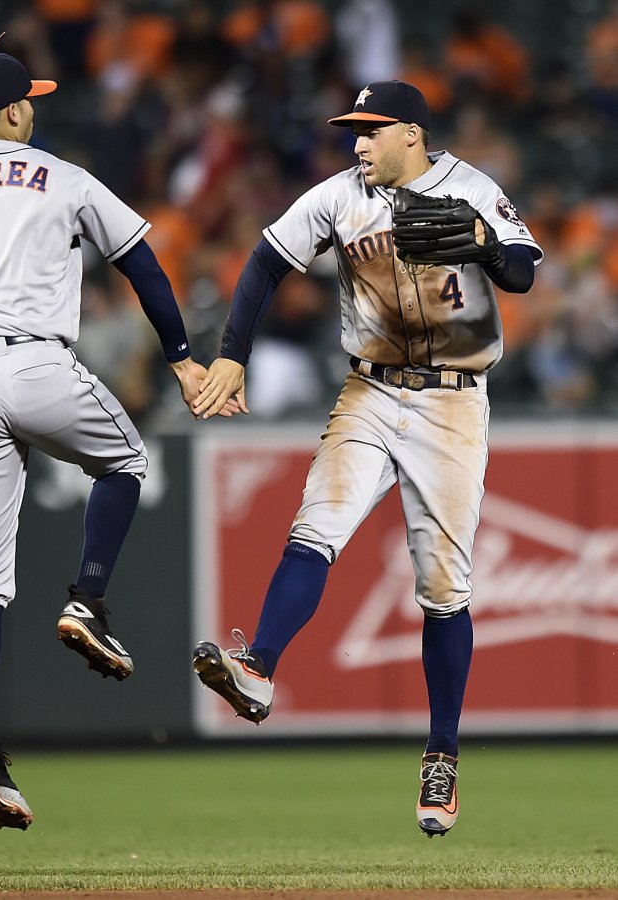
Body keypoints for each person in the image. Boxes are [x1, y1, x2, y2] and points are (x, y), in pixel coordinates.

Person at [0, 50, 235, 831]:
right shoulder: (59, 175)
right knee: (125, 461)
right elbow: (144, 267)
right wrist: (183, 362)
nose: (35, 106)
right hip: (35, 364)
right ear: (18, 113)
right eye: (28, 99)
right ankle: (87, 601)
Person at [190, 81, 542, 838]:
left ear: (410, 134)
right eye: (353, 131)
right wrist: (232, 357)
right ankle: (258, 669)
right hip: (370, 388)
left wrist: (480, 241)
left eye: (370, 131)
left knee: (442, 589)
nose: (356, 144)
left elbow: (520, 270)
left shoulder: (471, 187)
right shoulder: (337, 197)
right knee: (315, 524)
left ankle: (441, 753)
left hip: (454, 401)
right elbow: (262, 263)